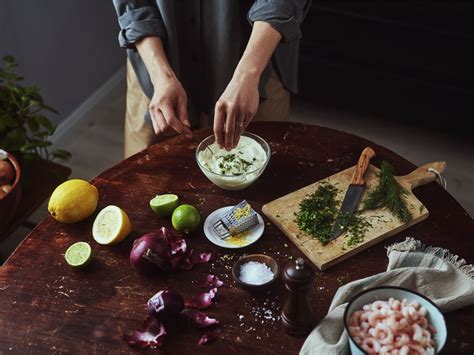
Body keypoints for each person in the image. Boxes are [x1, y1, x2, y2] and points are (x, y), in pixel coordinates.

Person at [113, 0, 310, 158]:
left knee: (264, 177)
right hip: (154, 59)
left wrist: (247, 74)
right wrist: (160, 76)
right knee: (146, 174)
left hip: (257, 57)